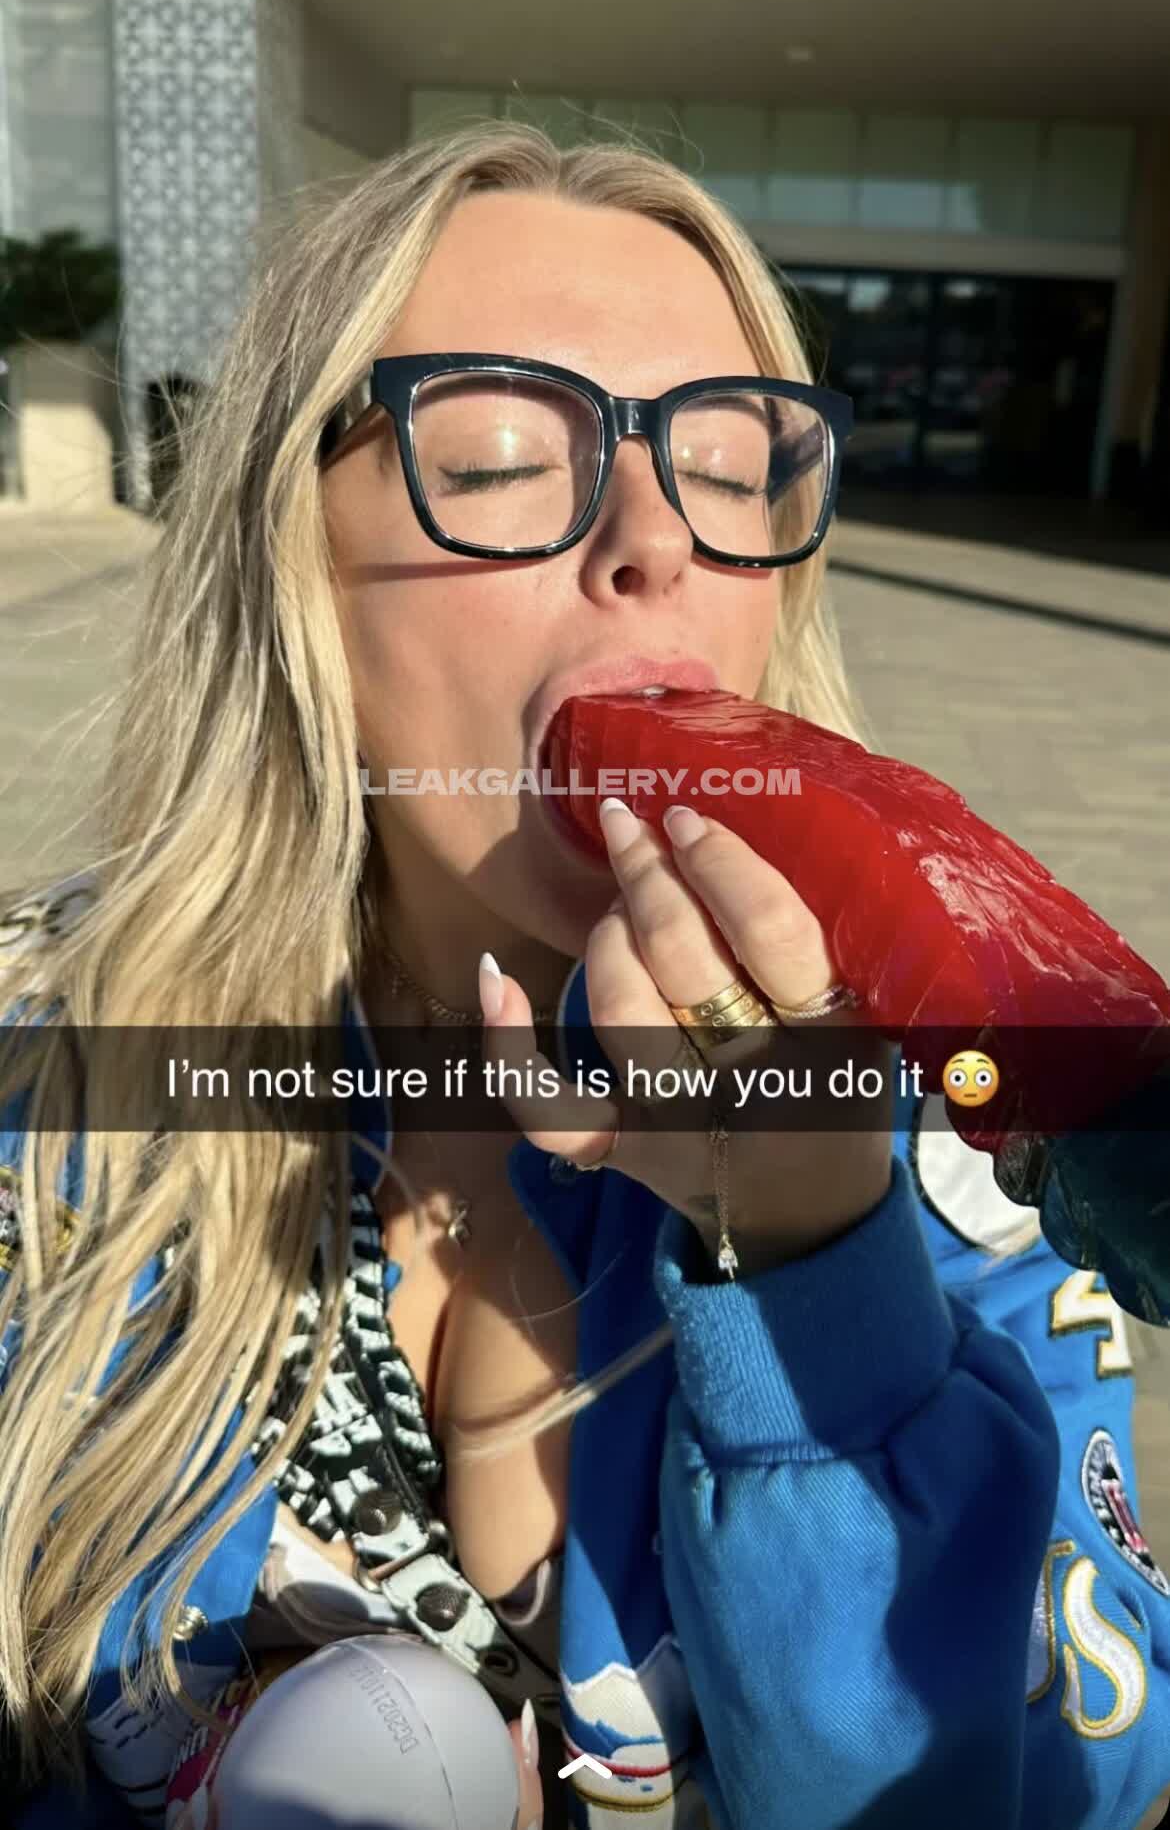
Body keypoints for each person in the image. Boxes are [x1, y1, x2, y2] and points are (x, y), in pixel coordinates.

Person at [1, 123, 1168, 1830]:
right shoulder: (52, 1066)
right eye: (493, 462)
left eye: (728, 466)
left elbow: (1058, 1783)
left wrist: (814, 1261)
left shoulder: (956, 1131)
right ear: (286, 559)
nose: (652, 540)